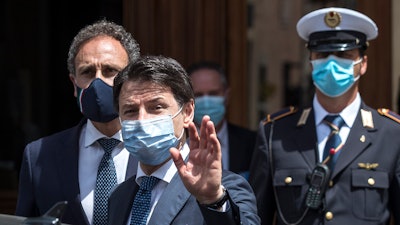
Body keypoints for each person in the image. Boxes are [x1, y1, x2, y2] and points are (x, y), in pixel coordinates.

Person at [248, 7, 400, 225]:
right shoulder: (275, 133)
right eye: (322, 55)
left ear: (363, 64)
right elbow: (255, 217)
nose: (331, 64)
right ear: (310, 61)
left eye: (343, 55)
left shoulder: (392, 134)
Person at [108, 55, 260, 225]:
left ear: (187, 112)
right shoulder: (119, 196)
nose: (142, 119)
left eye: (156, 107)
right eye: (130, 111)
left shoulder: (225, 188)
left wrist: (213, 200)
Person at [15, 19, 140, 225]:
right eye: (88, 72)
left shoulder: (159, 148)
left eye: (110, 71)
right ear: (74, 84)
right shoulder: (39, 155)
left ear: (132, 79)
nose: (98, 81)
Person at [187, 61, 257, 179]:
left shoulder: (252, 142)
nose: (207, 101)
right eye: (198, 95)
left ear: (226, 95)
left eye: (213, 93)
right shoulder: (177, 144)